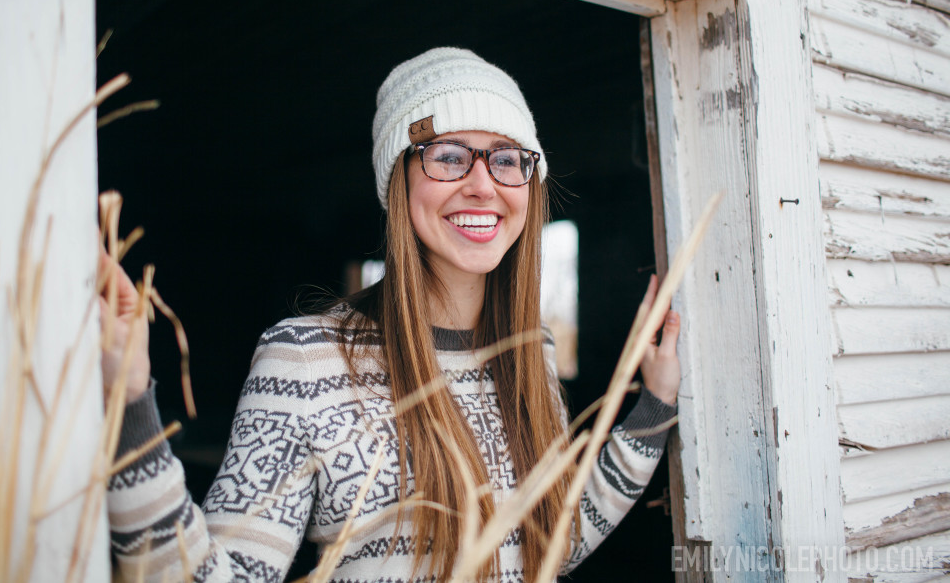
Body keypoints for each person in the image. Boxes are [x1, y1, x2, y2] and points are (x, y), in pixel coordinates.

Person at [101, 47, 681, 582]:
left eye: (506, 159)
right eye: (448, 156)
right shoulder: (305, 359)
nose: (483, 184)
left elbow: (553, 541)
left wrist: (653, 407)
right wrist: (131, 404)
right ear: (397, 183)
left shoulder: (532, 350)